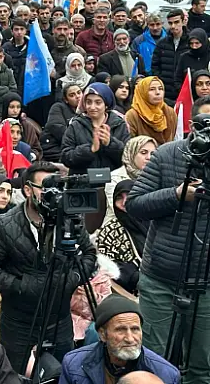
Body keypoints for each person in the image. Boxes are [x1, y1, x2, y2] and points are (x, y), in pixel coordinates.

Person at [0, 162, 97, 373]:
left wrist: (73, 278)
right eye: (45, 186)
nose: (52, 193)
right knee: (16, 376)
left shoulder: (69, 218)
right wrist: (20, 285)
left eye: (58, 186)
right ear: (27, 189)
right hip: (19, 322)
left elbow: (90, 255)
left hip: (59, 320)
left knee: (62, 374)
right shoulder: (5, 224)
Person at [125, 124, 210, 383]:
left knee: (203, 366)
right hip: (161, 279)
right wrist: (177, 195)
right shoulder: (167, 154)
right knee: (151, 360)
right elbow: (135, 204)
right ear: (193, 128)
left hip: (206, 283)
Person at [60, 295, 180, 384]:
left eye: (135, 329)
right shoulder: (74, 364)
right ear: (102, 334)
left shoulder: (166, 374)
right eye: (120, 330)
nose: (130, 338)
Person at [61, 83, 130, 175]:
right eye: (89, 102)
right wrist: (90, 149)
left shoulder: (119, 124)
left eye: (98, 102)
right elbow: (66, 157)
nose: (92, 107)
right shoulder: (75, 125)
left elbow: (128, 156)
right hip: (83, 184)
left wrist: (110, 144)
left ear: (106, 104)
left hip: (113, 183)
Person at [97, 180, 149, 295]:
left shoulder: (156, 223)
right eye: (119, 198)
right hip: (131, 292)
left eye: (130, 196)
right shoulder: (110, 231)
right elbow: (110, 268)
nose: (124, 202)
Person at [104, 136, 157, 224]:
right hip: (118, 226)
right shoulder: (114, 178)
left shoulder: (156, 175)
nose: (148, 157)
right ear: (131, 153)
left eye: (153, 154)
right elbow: (121, 209)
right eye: (143, 152)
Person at [126, 76, 177, 145]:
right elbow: (130, 144)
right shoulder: (132, 115)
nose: (158, 92)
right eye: (152, 89)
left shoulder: (170, 112)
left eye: (161, 89)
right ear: (143, 92)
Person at [42, 83, 83, 162]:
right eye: (72, 95)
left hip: (75, 149)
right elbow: (56, 128)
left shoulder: (87, 110)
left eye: (79, 92)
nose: (77, 96)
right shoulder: (58, 107)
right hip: (55, 148)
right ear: (66, 100)